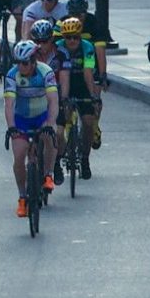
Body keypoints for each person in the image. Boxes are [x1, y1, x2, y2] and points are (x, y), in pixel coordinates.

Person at [3, 40, 57, 217]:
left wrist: (50, 123)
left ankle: (48, 173)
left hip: (42, 115)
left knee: (50, 136)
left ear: (34, 61)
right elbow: (9, 105)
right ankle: (22, 197)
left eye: (25, 62)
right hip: (22, 119)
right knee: (19, 156)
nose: (21, 66)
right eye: (17, 62)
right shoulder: (12, 75)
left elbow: (53, 101)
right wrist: (11, 127)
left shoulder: (46, 72)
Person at [52, 16, 99, 181]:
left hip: (81, 84)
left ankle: (85, 158)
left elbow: (88, 73)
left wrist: (93, 95)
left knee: (87, 122)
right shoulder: (57, 48)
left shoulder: (87, 47)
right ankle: (58, 160)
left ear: (80, 36)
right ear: (63, 37)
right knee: (60, 126)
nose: (72, 40)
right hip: (63, 85)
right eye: (68, 37)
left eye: (75, 37)